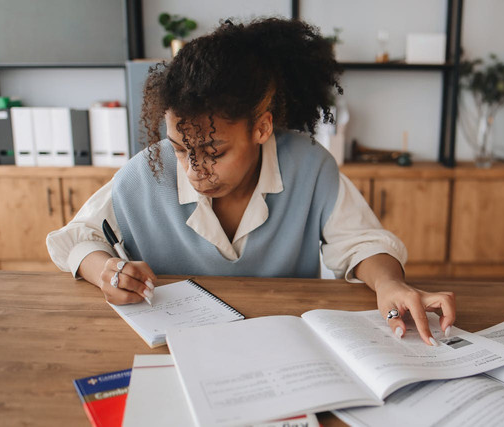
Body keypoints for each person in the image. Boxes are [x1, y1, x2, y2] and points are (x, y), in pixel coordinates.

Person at [46, 17, 455, 345]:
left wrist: (389, 284)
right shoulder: (145, 172)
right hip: (173, 350)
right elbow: (74, 238)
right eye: (181, 148)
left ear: (261, 128)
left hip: (284, 345)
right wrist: (105, 270)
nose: (194, 171)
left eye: (215, 152)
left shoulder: (308, 166)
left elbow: (361, 242)